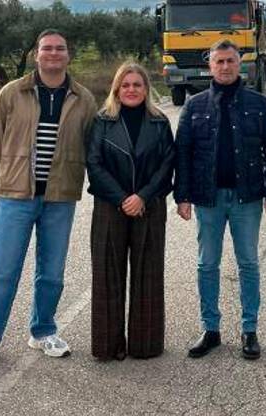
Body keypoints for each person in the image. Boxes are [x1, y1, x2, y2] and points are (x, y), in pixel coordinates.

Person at [0, 29, 97, 375]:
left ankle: (43, 330)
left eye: (59, 48)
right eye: (46, 48)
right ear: (37, 55)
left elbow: (93, 144)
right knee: (2, 273)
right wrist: (8, 172)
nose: (53, 53)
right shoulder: (13, 92)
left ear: (69, 55)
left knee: (52, 273)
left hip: (59, 198)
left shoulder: (83, 99)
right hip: (15, 197)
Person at [174, 39, 266, 360]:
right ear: (210, 65)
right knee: (207, 264)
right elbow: (182, 154)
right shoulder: (194, 106)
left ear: (240, 64)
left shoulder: (258, 104)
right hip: (207, 200)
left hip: (246, 199)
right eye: (219, 61)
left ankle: (250, 330)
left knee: (248, 263)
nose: (224, 67)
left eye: (230, 61)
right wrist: (182, 196)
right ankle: (211, 329)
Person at [86, 62, 175, 361]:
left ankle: (145, 344)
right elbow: (94, 164)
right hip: (109, 207)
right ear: (116, 89)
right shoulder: (102, 122)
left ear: (146, 89)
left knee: (148, 275)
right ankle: (108, 345)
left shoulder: (160, 123)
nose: (131, 90)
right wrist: (124, 197)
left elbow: (167, 165)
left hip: (150, 207)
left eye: (137, 84)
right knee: (107, 275)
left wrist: (143, 197)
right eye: (125, 85)